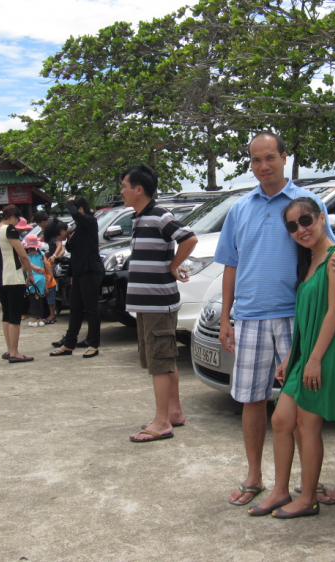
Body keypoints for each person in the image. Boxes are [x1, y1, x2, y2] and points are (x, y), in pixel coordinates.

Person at [214, 132, 335, 506]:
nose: (263, 166)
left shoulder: (305, 203)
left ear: (284, 157)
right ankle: (254, 478)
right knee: (251, 401)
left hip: (296, 318)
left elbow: (332, 253)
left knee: (301, 411)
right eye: (256, 160)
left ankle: (307, 485)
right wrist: (226, 317)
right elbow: (230, 265)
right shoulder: (239, 209)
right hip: (249, 316)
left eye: (270, 158)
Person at [247, 197, 335, 519]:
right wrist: (292, 358)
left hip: (329, 348)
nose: (300, 229)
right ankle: (281, 491)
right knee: (281, 420)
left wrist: (313, 360)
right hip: (309, 349)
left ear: (321, 218)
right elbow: (307, 315)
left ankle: (308, 498)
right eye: (292, 226)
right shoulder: (310, 259)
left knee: (306, 424)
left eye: (306, 220)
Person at [121, 165, 198, 443]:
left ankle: (162, 421)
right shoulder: (139, 218)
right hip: (147, 305)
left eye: (124, 186)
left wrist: (174, 265)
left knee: (160, 363)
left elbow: (189, 238)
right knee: (163, 360)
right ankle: (174, 412)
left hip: (158, 304)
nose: (122, 191)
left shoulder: (159, 215)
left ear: (138, 189)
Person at [49, 196, 104, 358]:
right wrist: (71, 274)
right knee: (75, 309)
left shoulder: (90, 221)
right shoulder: (77, 227)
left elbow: (76, 214)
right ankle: (69, 343)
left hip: (90, 271)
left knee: (91, 309)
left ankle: (93, 344)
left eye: (75, 207)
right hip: (78, 273)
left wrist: (70, 202)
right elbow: (73, 250)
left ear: (80, 208)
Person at [0, 205, 35, 363]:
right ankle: (14, 351)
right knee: (15, 315)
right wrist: (30, 274)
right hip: (13, 277)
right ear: (13, 217)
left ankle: (9, 349)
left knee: (6, 314)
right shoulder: (9, 230)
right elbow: (22, 254)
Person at [42, 219, 68, 324]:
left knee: (51, 291)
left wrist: (54, 256)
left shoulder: (54, 238)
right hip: (49, 264)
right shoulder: (49, 239)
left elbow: (60, 247)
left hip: (50, 265)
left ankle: (52, 315)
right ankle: (50, 314)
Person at [23, 234, 48, 327]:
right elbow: (46, 264)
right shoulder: (41, 254)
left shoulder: (26, 256)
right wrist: (49, 276)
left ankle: (34, 320)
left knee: (32, 299)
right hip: (41, 277)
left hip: (32, 277)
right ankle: (41, 319)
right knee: (40, 298)